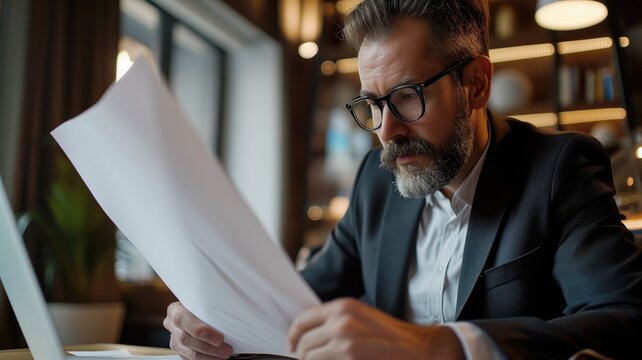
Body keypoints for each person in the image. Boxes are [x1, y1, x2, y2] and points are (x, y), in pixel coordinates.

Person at [163, 0, 642, 359]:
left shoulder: (559, 170)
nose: (387, 131)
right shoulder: (375, 182)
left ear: (476, 83)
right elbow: (296, 302)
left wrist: (442, 346)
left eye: (408, 96)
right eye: (372, 104)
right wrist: (214, 322)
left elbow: (624, 319)